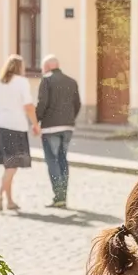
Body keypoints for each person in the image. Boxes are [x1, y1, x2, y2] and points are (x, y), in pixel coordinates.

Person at [0, 54, 39, 212]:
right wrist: (35, 124)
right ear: (20, 67)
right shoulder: (22, 82)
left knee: (9, 165)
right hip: (15, 127)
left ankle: (10, 201)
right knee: (12, 166)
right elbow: (28, 106)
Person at [36, 54, 81, 208]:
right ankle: (63, 195)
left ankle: (59, 196)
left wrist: (36, 120)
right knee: (63, 160)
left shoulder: (46, 80)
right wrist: (70, 119)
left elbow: (42, 103)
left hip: (50, 127)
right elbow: (77, 104)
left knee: (52, 161)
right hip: (68, 127)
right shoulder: (71, 81)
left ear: (47, 67)